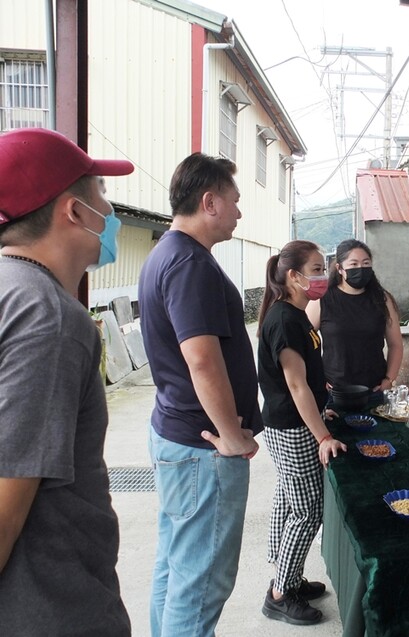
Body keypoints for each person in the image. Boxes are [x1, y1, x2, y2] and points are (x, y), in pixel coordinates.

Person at [0, 128, 134, 634]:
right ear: (74, 212)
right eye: (101, 193)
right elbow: (7, 501)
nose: (110, 209)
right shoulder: (47, 317)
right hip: (50, 606)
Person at [138, 153, 262, 637]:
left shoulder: (167, 255)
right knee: (201, 580)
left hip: (180, 438)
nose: (238, 212)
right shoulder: (189, 263)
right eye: (233, 201)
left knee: (177, 567)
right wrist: (232, 435)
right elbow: (202, 360)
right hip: (202, 448)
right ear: (209, 202)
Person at [256, 240, 347, 625]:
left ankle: (286, 575)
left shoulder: (295, 315)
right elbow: (296, 387)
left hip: (290, 423)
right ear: (292, 277)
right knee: (308, 509)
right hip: (291, 428)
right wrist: (323, 436)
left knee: (289, 500)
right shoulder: (284, 320)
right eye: (315, 269)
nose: (323, 277)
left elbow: (307, 379)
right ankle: (280, 593)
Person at [306, 239, 403, 404]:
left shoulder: (382, 299)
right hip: (332, 393)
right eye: (354, 264)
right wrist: (317, 378)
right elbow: (303, 342)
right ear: (340, 269)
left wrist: (389, 380)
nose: (361, 268)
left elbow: (396, 344)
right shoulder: (323, 300)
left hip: (374, 391)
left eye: (366, 263)